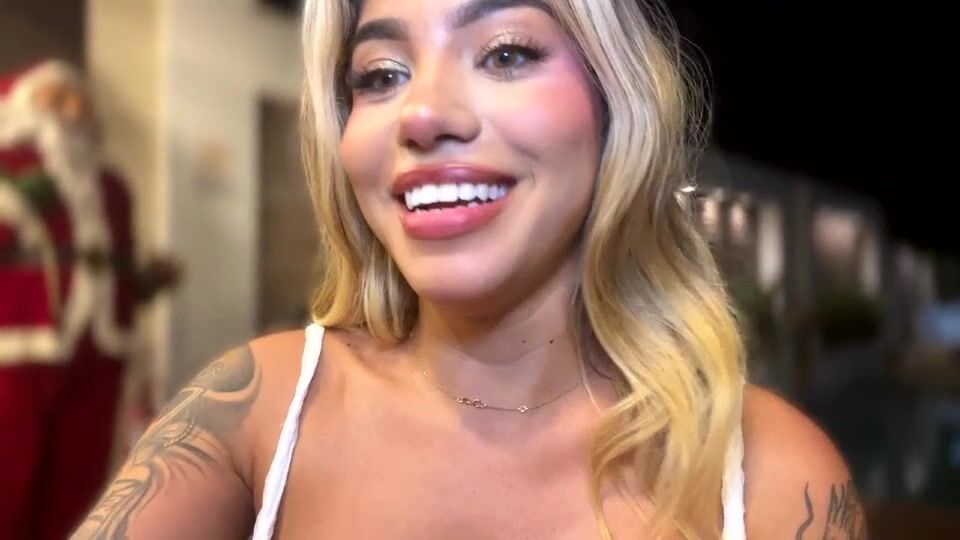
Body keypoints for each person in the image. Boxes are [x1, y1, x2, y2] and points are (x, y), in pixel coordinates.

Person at [74, 0, 866, 538]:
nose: (422, 115)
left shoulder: (770, 471)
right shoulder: (258, 413)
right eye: (380, 75)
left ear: (614, 101)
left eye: (506, 53)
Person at [0, 60, 176, 539]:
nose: (73, 110)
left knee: (82, 480)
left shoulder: (112, 188)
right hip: (21, 347)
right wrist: (30, 192)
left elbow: (111, 268)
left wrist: (145, 283)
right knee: (9, 472)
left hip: (101, 347)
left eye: (80, 100)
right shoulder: (10, 169)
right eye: (58, 98)